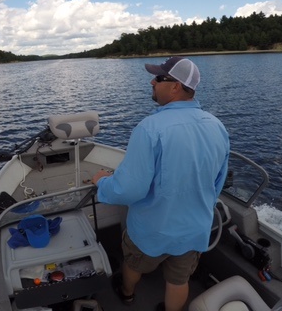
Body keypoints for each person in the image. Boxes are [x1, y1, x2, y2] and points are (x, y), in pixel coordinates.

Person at [92, 57, 230, 311]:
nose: (152, 81)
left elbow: (129, 189)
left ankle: (127, 294)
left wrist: (102, 183)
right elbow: (218, 181)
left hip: (152, 232)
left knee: (133, 265)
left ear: (175, 86)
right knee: (179, 280)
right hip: (195, 228)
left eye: (159, 78)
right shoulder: (217, 126)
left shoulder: (149, 129)